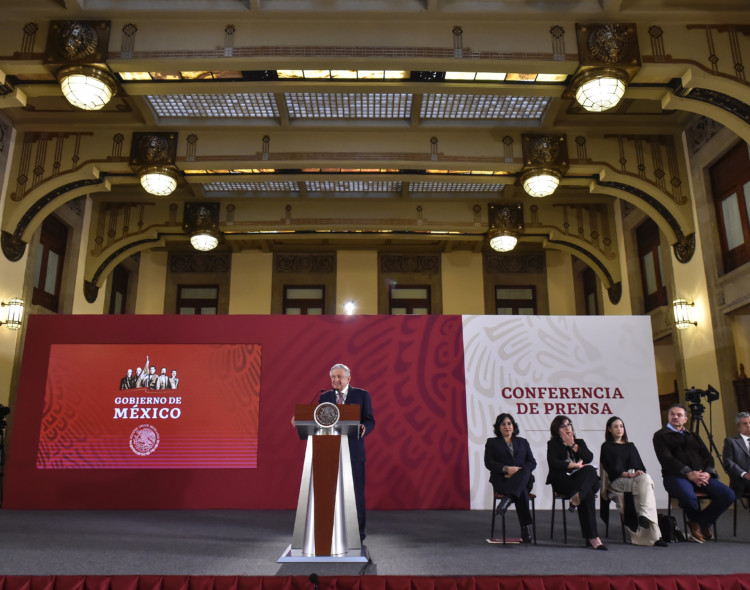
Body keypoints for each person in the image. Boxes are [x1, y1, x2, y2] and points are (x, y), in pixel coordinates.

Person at [653, 403, 735, 543]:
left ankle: (699, 523)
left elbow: (708, 457)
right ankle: (700, 524)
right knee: (688, 496)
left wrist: (708, 474)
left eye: (679, 415)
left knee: (728, 495)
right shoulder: (660, 436)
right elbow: (667, 459)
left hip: (701, 476)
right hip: (675, 476)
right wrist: (689, 473)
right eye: (672, 414)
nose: (675, 417)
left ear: (685, 419)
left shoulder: (694, 436)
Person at [318, 363, 375, 542]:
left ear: (348, 378)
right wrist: (301, 417)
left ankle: (358, 535)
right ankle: (333, 532)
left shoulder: (362, 395)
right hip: (330, 452)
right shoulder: (324, 397)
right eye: (333, 377)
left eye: (339, 377)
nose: (335, 380)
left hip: (354, 452)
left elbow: (370, 420)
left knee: (356, 494)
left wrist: (365, 427)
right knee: (331, 494)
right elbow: (317, 419)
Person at [600, 416, 667, 547]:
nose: (619, 429)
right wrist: (630, 475)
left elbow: (639, 466)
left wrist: (638, 473)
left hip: (632, 481)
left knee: (646, 479)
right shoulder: (606, 446)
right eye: (616, 426)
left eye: (621, 426)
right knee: (646, 489)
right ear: (609, 429)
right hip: (617, 482)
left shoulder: (630, 446)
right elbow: (612, 469)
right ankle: (655, 536)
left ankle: (645, 518)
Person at [546, 415, 607, 550]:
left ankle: (577, 496)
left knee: (590, 470)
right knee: (589, 492)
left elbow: (589, 457)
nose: (568, 427)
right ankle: (593, 538)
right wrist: (572, 466)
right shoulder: (553, 444)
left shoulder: (579, 442)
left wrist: (573, 445)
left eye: (569, 424)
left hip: (579, 480)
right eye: (563, 426)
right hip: (563, 481)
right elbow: (553, 463)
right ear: (557, 430)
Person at [484, 413, 536, 543]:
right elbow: (489, 463)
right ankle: (526, 529)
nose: (507, 426)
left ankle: (508, 499)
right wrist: (507, 469)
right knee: (522, 491)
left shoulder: (523, 442)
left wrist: (516, 471)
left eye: (509, 423)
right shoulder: (492, 442)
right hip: (503, 480)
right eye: (503, 424)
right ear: (498, 427)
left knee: (525, 471)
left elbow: (532, 462)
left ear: (513, 426)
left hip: (521, 478)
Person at [722, 411, 750, 507]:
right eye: (745, 423)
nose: (749, 425)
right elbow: (728, 463)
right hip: (741, 481)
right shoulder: (731, 442)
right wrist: (745, 474)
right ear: (738, 427)